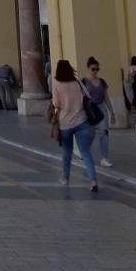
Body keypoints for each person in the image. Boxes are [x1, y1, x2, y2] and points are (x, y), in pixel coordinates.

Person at [51, 60, 98, 191]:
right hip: (81, 121)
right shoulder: (78, 83)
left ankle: (65, 178)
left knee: (67, 152)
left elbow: (56, 104)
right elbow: (88, 97)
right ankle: (93, 180)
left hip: (65, 124)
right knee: (85, 152)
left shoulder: (57, 85)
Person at [81, 56, 115, 168]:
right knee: (90, 134)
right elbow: (81, 98)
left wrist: (112, 112)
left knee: (104, 133)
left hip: (101, 109)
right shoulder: (84, 82)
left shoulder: (102, 82)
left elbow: (106, 98)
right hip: (90, 110)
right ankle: (84, 153)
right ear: (88, 68)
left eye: (97, 69)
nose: (95, 71)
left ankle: (104, 158)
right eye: (93, 69)